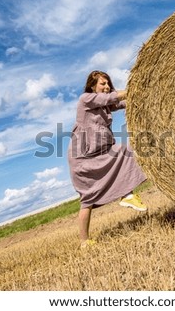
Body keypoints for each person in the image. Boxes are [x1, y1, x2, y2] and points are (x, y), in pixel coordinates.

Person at [67, 70, 148, 248]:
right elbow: (111, 98)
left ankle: (127, 195)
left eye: (108, 83)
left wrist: (146, 94)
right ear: (92, 86)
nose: (106, 86)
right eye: (102, 84)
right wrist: (135, 85)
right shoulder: (86, 99)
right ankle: (84, 241)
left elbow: (122, 102)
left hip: (101, 151)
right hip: (82, 157)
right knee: (87, 199)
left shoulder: (104, 106)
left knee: (126, 151)